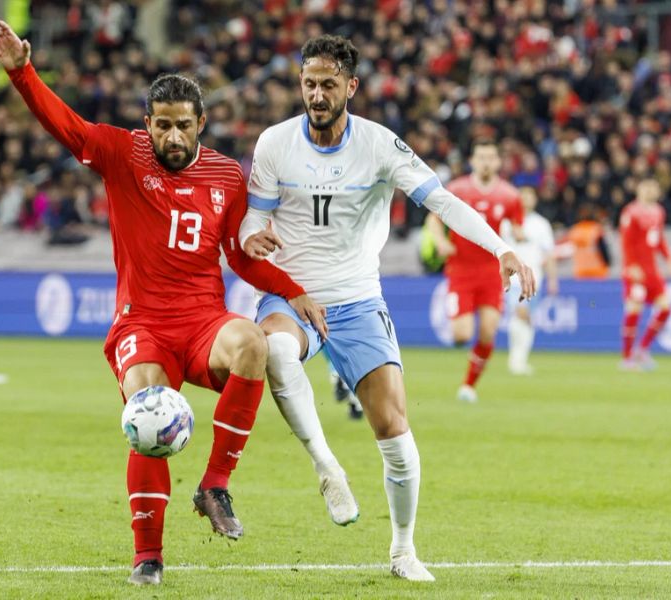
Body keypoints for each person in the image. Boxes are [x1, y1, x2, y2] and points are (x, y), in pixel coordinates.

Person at [0, 21, 326, 586]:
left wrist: (291, 288)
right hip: (141, 322)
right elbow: (66, 127)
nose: (172, 137)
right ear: (148, 125)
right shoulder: (122, 152)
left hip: (202, 322)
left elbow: (238, 259)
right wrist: (23, 72)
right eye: (162, 125)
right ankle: (148, 555)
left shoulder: (225, 174)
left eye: (182, 127)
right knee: (148, 407)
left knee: (252, 344)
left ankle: (216, 484)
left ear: (201, 125)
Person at [239, 35, 535, 582]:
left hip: (356, 298)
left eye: (329, 84)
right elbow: (252, 219)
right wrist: (254, 236)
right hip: (290, 294)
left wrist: (502, 248)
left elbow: (441, 199)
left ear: (351, 86)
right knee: (275, 351)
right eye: (309, 83)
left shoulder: (379, 145)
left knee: (395, 429)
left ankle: (403, 552)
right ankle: (327, 467)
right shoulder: (275, 144)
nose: (318, 94)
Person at [425, 140, 525, 403]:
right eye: (481, 157)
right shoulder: (457, 189)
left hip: (492, 271)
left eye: (491, 157)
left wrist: (519, 236)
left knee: (489, 331)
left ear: (498, 162)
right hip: (460, 270)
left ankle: (468, 386)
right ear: (472, 161)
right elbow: (433, 219)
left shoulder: (510, 195)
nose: (486, 162)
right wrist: (440, 241)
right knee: (462, 335)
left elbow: (518, 226)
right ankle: (460, 326)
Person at [619, 179, 671, 370]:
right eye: (647, 187)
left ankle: (642, 349)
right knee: (634, 309)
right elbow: (626, 241)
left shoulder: (658, 211)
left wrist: (668, 257)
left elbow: (659, 238)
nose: (651, 190)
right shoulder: (631, 212)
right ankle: (627, 358)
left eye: (654, 187)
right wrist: (631, 265)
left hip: (652, 270)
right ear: (639, 189)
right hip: (635, 270)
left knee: (666, 307)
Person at [501, 186, 558, 375]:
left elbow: (549, 253)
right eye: (523, 196)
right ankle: (516, 361)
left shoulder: (541, 224)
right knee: (521, 313)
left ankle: (520, 359)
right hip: (513, 278)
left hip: (535, 279)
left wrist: (552, 279)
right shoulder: (506, 223)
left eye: (530, 196)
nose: (526, 199)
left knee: (528, 318)